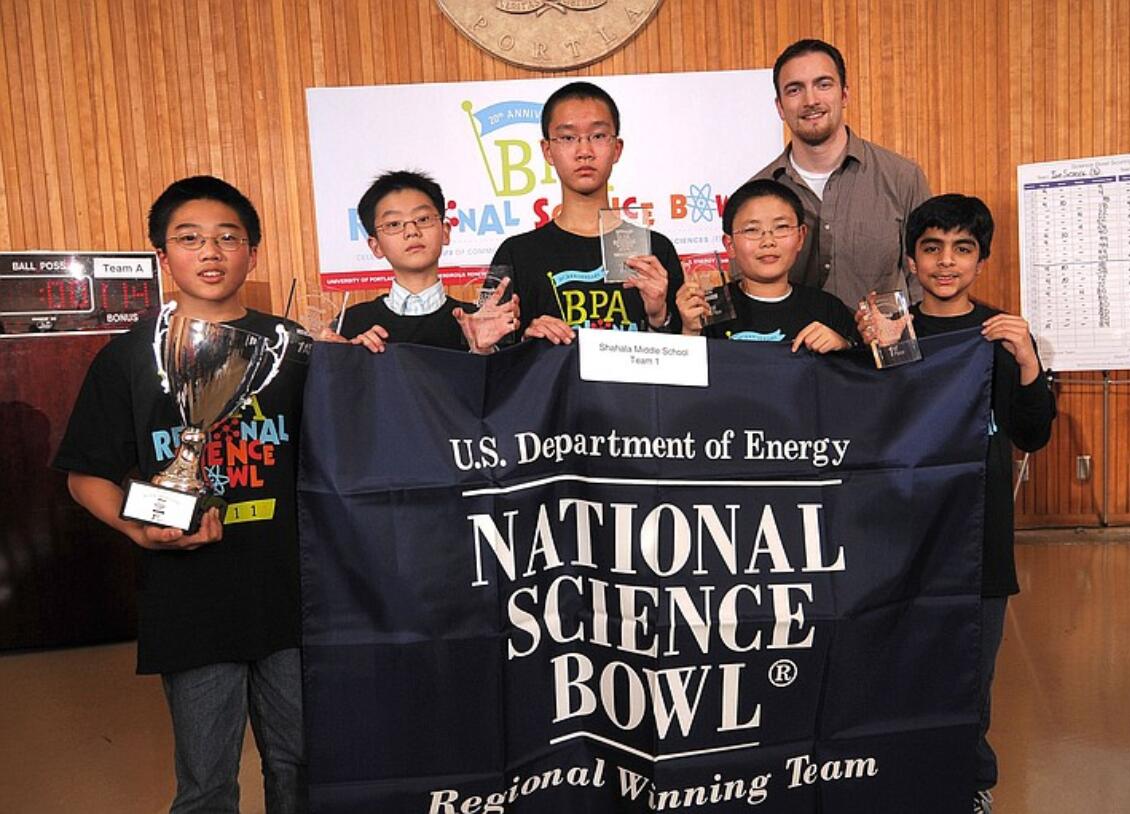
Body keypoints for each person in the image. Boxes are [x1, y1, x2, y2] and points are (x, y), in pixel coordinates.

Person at [53, 176, 310, 813]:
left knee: (301, 765)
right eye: (189, 239)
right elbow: (86, 475)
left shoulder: (296, 351)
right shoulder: (127, 359)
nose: (212, 252)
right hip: (189, 600)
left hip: (294, 592)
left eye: (229, 237)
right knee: (205, 781)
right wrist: (138, 529)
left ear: (255, 251)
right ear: (163, 257)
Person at [859, 193, 1055, 814]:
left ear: (981, 259)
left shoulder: (1000, 334)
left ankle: (970, 783)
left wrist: (1027, 361)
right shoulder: (894, 327)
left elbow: (1033, 433)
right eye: (932, 248)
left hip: (978, 538)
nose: (946, 262)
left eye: (962, 249)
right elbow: (873, 426)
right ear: (911, 261)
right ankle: (895, 774)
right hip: (900, 535)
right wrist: (877, 351)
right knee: (896, 662)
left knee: (971, 673)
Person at [490, 81, 683, 344]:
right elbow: (496, 358)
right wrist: (528, 341)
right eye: (568, 138)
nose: (584, 152)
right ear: (548, 151)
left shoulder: (655, 249)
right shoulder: (516, 253)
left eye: (598, 136)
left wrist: (659, 317)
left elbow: (684, 365)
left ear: (617, 149)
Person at [752, 38, 931, 310]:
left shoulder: (902, 178)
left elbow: (923, 283)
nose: (811, 100)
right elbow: (749, 291)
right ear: (779, 106)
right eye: (794, 90)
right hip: (791, 352)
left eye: (823, 85)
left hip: (879, 351)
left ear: (844, 95)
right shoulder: (757, 192)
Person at [335, 170, 518, 354]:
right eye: (394, 224)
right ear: (376, 246)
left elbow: (502, 381)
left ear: (445, 231)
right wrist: (349, 358)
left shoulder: (477, 320)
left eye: (423, 219)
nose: (411, 231)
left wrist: (482, 350)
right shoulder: (352, 322)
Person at [676, 179, 856, 353]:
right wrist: (690, 332)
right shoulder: (706, 307)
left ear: (800, 237)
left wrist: (843, 347)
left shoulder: (827, 308)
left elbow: (862, 375)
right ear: (730, 245)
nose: (768, 241)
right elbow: (682, 379)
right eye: (752, 230)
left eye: (781, 227)